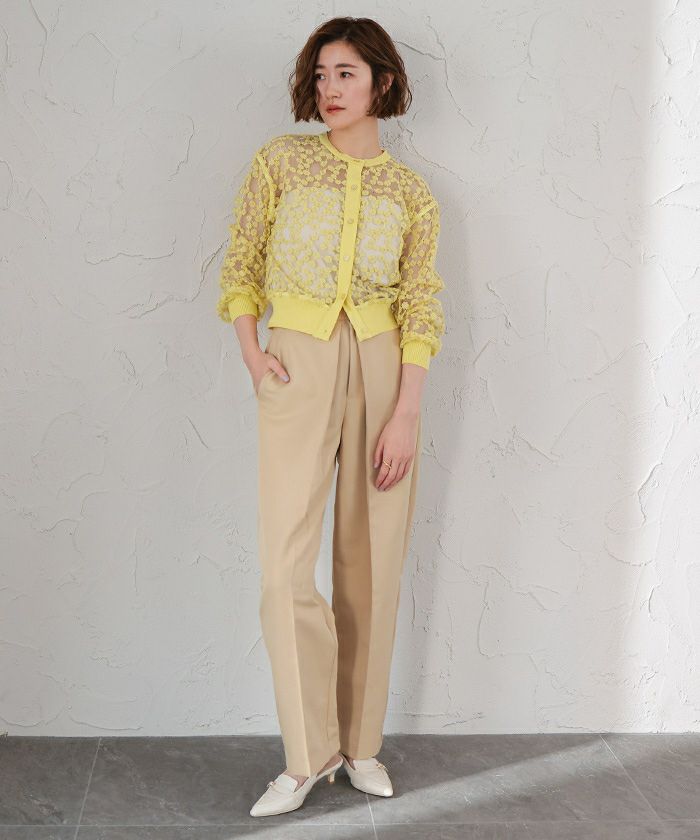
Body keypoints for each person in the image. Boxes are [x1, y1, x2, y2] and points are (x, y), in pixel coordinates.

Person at [216, 16, 446, 818]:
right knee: (285, 566)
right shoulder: (280, 162)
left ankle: (360, 745)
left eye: (346, 73)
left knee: (371, 561)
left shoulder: (411, 193)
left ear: (384, 81)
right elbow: (242, 259)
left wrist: (406, 411)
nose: (329, 89)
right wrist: (254, 355)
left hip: (384, 369)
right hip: (296, 359)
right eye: (320, 75)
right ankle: (307, 755)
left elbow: (422, 304)